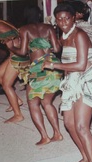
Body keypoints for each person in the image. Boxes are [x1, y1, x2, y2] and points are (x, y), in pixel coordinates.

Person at [42, 3, 92, 162]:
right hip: (71, 80)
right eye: (59, 19)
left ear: (73, 18)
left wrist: (53, 66)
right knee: (69, 124)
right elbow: (64, 55)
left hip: (87, 79)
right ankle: (85, 158)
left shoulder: (80, 35)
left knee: (81, 126)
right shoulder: (63, 35)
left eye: (66, 18)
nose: (63, 22)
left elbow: (81, 65)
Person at [8, 6, 63, 146]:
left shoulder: (24, 29)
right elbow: (57, 49)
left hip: (39, 69)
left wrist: (11, 47)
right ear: (39, 14)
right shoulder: (49, 27)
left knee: (33, 104)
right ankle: (57, 133)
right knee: (47, 102)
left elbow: (21, 52)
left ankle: (45, 137)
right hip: (54, 67)